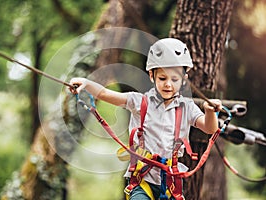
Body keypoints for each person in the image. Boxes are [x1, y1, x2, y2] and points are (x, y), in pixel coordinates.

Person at [69, 38, 222, 200]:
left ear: (184, 78)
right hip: (143, 180)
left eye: (175, 79)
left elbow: (209, 128)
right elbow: (105, 94)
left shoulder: (187, 107)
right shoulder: (138, 102)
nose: (168, 84)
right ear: (151, 76)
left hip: (170, 182)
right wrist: (86, 83)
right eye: (162, 78)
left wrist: (210, 111)